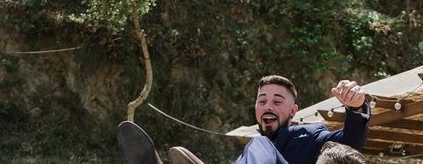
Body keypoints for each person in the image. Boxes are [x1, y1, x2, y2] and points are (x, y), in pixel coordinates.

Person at [117, 75, 370, 164]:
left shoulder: (312, 136)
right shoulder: (250, 158)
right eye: (262, 101)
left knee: (259, 145)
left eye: (277, 101)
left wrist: (357, 107)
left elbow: (350, 148)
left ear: (294, 111)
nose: (268, 106)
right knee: (257, 147)